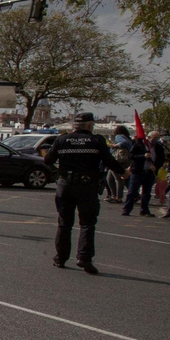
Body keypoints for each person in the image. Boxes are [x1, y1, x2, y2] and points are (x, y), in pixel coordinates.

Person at [44, 111, 118, 273]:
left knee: (64, 223)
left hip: (65, 185)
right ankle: (84, 258)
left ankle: (60, 258)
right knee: (87, 223)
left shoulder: (62, 139)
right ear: (90, 125)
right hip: (87, 186)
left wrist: (59, 172)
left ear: (75, 125)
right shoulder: (96, 140)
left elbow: (48, 160)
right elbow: (109, 161)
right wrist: (124, 172)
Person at [122, 133, 153, 217]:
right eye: (153, 138)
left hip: (149, 172)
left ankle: (144, 210)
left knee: (147, 193)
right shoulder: (138, 145)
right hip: (137, 171)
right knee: (132, 191)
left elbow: (160, 158)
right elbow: (131, 156)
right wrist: (143, 156)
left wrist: (156, 166)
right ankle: (126, 210)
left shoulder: (157, 147)